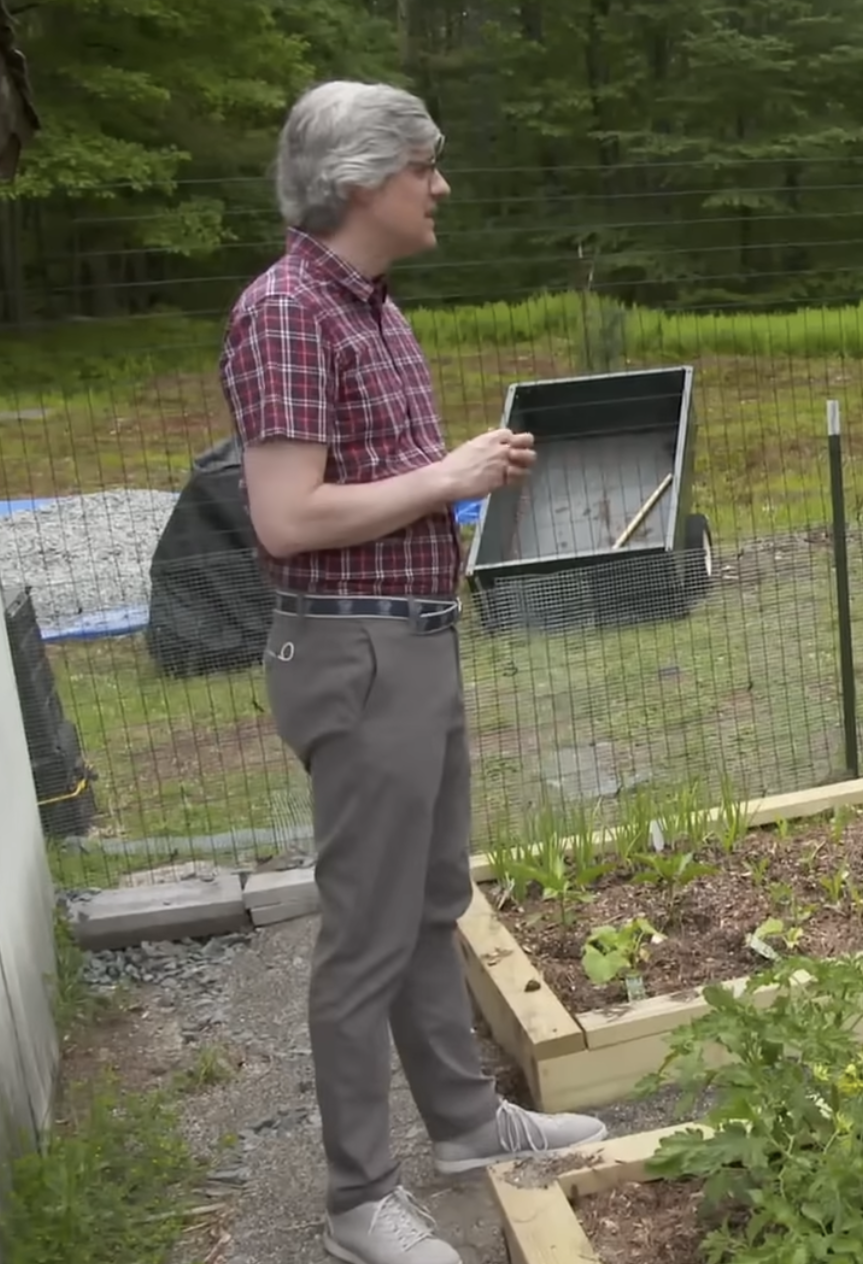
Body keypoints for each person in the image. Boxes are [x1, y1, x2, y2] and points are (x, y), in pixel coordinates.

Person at [220, 80, 607, 1264]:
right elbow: (287, 517)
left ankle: (462, 1125)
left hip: (416, 637)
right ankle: (356, 1200)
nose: (441, 186)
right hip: (356, 654)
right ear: (358, 182)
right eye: (423, 167)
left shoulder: (372, 307)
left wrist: (454, 483)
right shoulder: (287, 311)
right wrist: (449, 479)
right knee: (368, 932)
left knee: (434, 903)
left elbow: (373, 489)